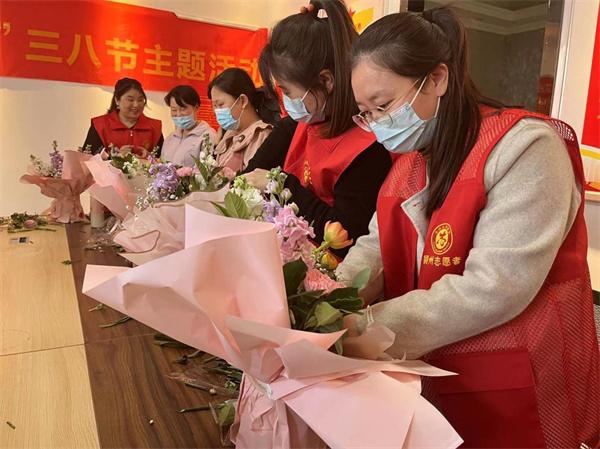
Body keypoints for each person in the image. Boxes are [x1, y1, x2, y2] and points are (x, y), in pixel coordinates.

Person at [337, 7, 600, 448]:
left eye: (384, 106)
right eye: (366, 114)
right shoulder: (409, 164)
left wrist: (364, 328)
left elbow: (495, 285)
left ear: (437, 78)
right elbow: (374, 246)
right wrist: (326, 300)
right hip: (434, 377)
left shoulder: (525, 147)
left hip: (517, 383)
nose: (379, 125)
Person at [243, 0, 392, 254]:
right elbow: (250, 174)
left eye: (288, 91)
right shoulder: (299, 123)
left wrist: (282, 186)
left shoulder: (368, 148)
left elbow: (346, 237)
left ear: (325, 80)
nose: (286, 101)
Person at [208, 68, 274, 173]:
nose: (217, 111)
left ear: (243, 101)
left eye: (220, 105)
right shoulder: (229, 133)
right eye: (214, 106)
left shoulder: (262, 135)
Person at [83, 77, 163, 157]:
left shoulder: (154, 127)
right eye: (130, 100)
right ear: (117, 100)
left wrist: (149, 157)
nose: (136, 105)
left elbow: (164, 162)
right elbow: (88, 158)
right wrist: (115, 157)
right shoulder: (100, 125)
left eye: (140, 100)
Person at [162, 85, 217, 167]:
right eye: (174, 110)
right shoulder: (171, 138)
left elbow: (206, 171)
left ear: (196, 108)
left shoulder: (208, 136)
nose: (178, 114)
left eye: (183, 109)